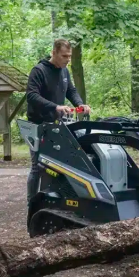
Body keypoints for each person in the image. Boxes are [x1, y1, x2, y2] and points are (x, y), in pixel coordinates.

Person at [25, 39, 91, 204]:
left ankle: (50, 199)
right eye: (64, 56)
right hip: (38, 126)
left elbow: (71, 90)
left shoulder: (64, 71)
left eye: (69, 56)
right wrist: (55, 107)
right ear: (54, 53)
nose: (67, 60)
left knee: (57, 165)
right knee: (37, 167)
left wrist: (80, 104)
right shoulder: (38, 71)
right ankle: (32, 202)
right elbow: (31, 96)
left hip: (57, 126)